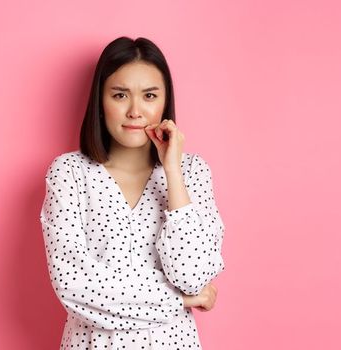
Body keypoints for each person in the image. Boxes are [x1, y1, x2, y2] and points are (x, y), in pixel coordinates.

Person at [39, 36, 226, 349]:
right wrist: (182, 299)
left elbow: (194, 274)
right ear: (100, 100)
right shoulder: (69, 173)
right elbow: (75, 286)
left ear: (165, 102)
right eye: (120, 95)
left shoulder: (192, 172)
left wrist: (173, 171)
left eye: (150, 95)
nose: (135, 111)